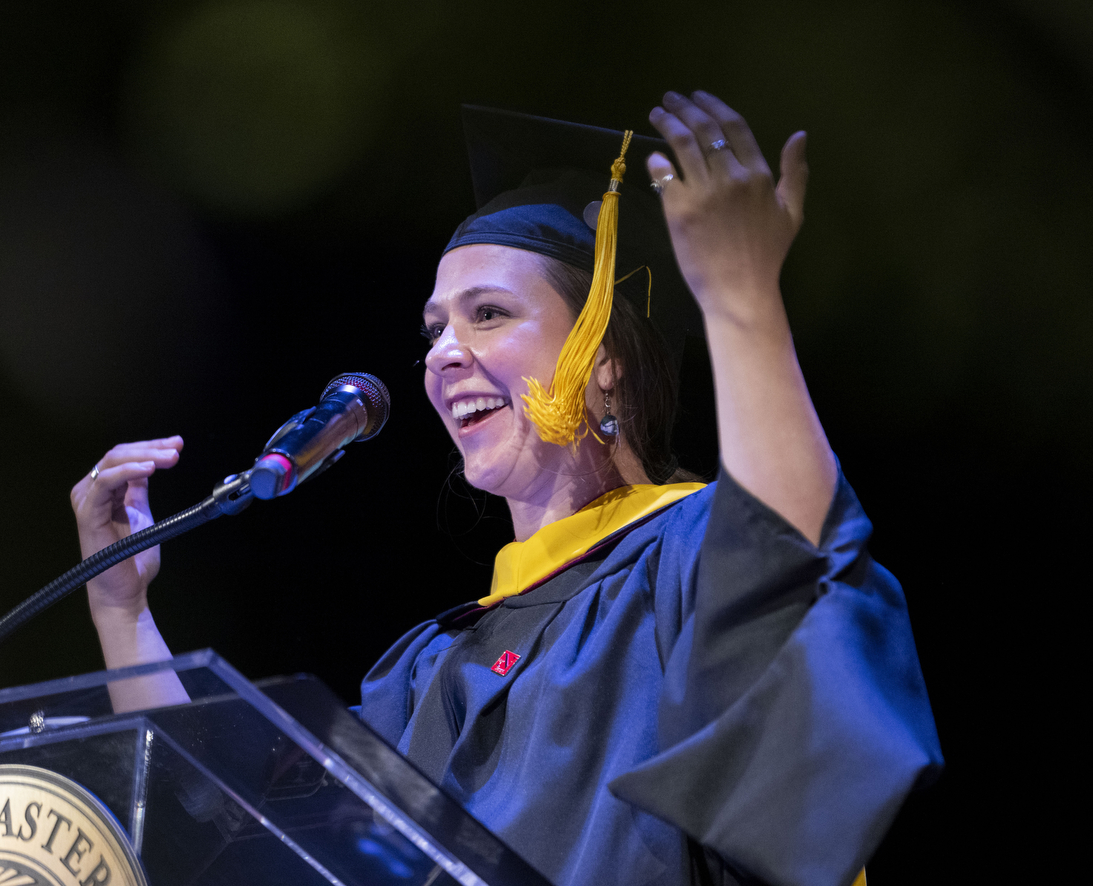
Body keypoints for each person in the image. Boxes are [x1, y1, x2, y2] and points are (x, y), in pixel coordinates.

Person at [69, 92, 942, 886]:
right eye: (434, 328)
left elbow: (798, 574)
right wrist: (122, 610)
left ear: (602, 361)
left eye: (488, 313)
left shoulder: (690, 561)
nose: (444, 352)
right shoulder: (427, 671)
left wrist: (742, 299)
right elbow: (244, 832)